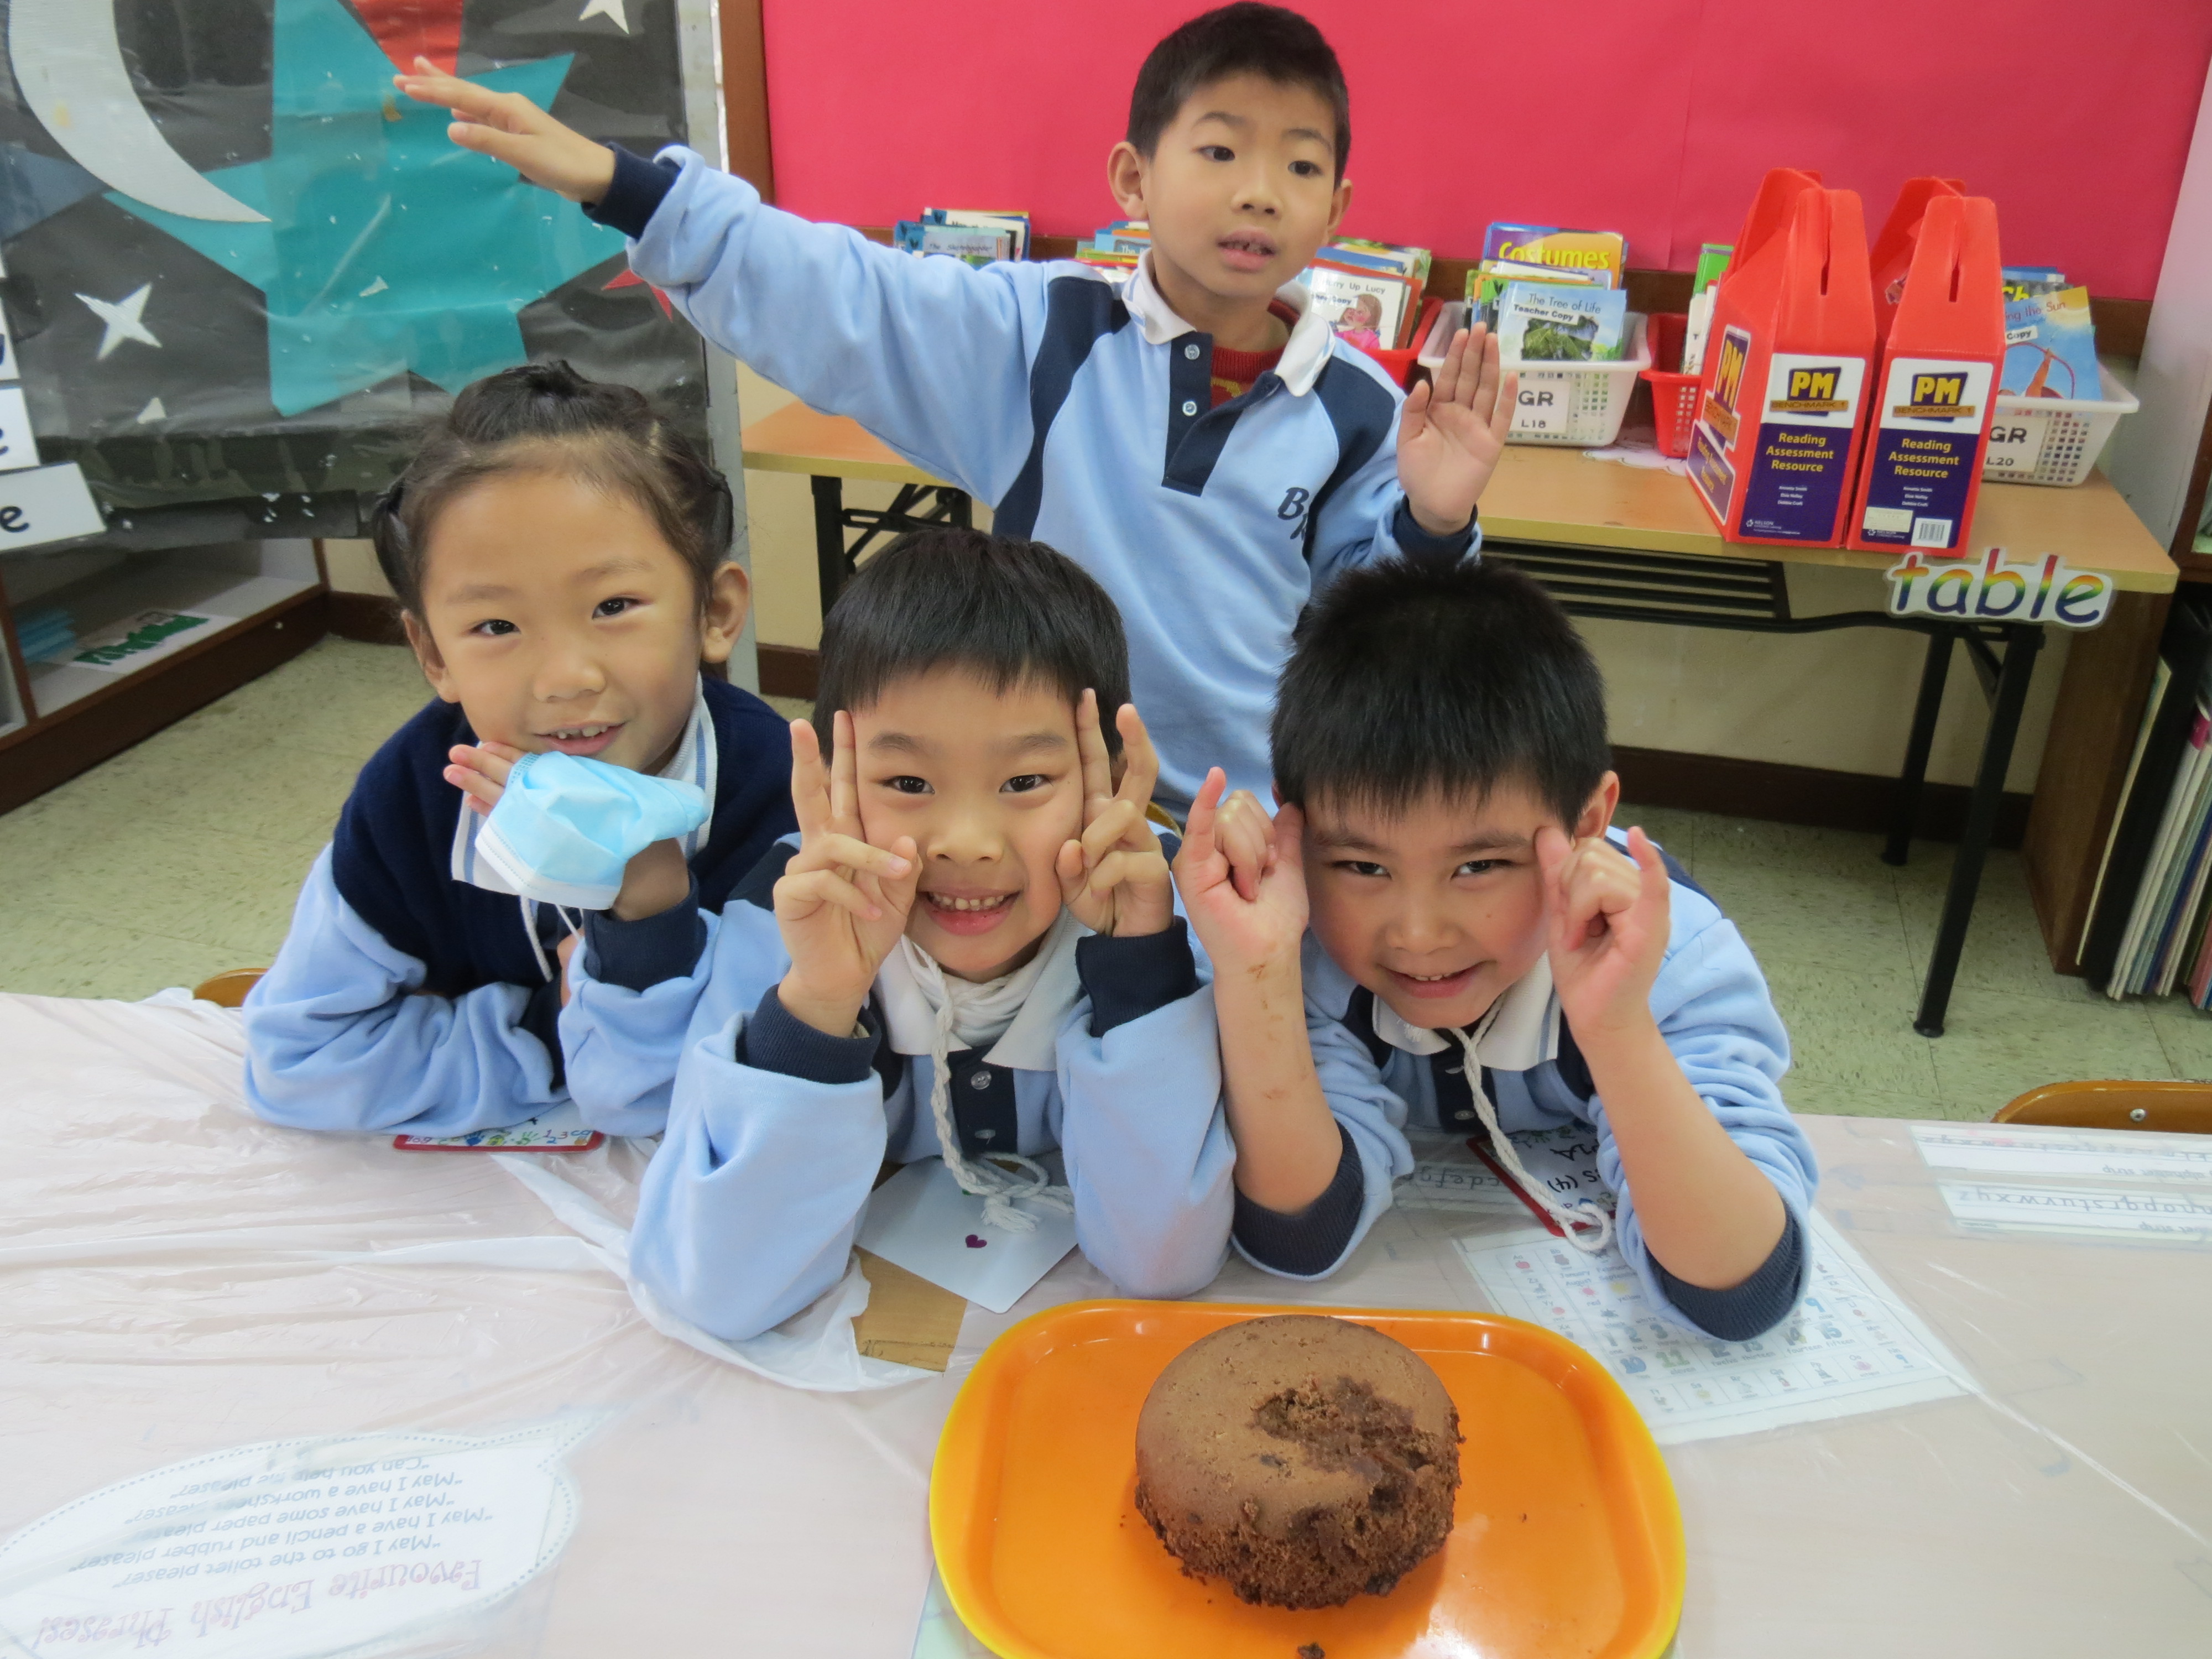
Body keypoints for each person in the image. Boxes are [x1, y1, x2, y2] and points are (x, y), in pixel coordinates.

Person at [394, 2, 1515, 814]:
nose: (1258, 192)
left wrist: (1435, 517)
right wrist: (626, 188)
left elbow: (1379, 633)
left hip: (1253, 806)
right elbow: (847, 295)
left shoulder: (1362, 407)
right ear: (1133, 180)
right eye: (1219, 150)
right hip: (1048, 791)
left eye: (1300, 168)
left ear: (1338, 206)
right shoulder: (1043, 336)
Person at [573, 528, 1234, 1342]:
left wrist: (1139, 968)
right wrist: (820, 1004)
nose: (967, 842)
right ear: (836, 784)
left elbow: (1163, 1263)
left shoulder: (1161, 913)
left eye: (1026, 781)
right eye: (908, 782)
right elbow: (714, 1290)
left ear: (1110, 777)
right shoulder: (787, 922)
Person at [1175, 557, 1818, 1340]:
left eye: (1479, 866)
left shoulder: (1673, 960)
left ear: (1588, 823)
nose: (1418, 934)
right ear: (1294, 828)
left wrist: (1617, 1031)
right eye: (1363, 867)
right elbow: (1302, 1235)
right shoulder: (1301, 947)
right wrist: (1256, 977)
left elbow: (1743, 1291)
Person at [243, 362, 796, 1138]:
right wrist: (549, 1025)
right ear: (433, 653)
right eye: (496, 626)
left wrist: (649, 921)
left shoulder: (782, 796)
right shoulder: (414, 797)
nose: (566, 679)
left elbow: (714, 1090)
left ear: (716, 612)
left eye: (613, 606)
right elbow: (302, 1063)